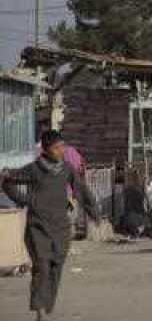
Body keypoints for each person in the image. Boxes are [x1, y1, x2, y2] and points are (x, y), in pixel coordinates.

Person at [2, 129, 101, 321]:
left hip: (61, 229)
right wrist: (25, 200)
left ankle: (46, 308)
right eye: (57, 148)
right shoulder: (34, 169)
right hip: (38, 228)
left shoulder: (67, 169)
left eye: (62, 146)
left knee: (56, 268)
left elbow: (82, 190)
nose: (61, 151)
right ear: (46, 150)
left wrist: (94, 213)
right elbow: (7, 180)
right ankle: (39, 311)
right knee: (42, 267)